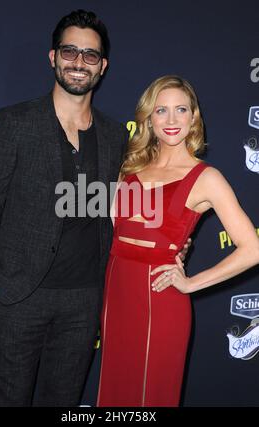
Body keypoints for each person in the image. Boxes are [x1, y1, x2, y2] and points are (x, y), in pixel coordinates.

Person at [0, 9, 128, 407]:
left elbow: (126, 208)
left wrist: (171, 243)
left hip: (84, 299)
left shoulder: (114, 135)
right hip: (19, 296)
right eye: (69, 51)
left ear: (102, 67)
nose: (78, 62)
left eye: (90, 55)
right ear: (52, 57)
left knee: (65, 402)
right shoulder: (15, 123)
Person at [97, 75, 259, 407]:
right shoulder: (128, 168)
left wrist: (192, 283)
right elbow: (113, 232)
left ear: (193, 116)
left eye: (180, 109)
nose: (171, 120)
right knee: (115, 396)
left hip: (161, 301)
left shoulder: (207, 178)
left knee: (151, 397)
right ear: (148, 118)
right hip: (115, 297)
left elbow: (252, 248)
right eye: (161, 111)